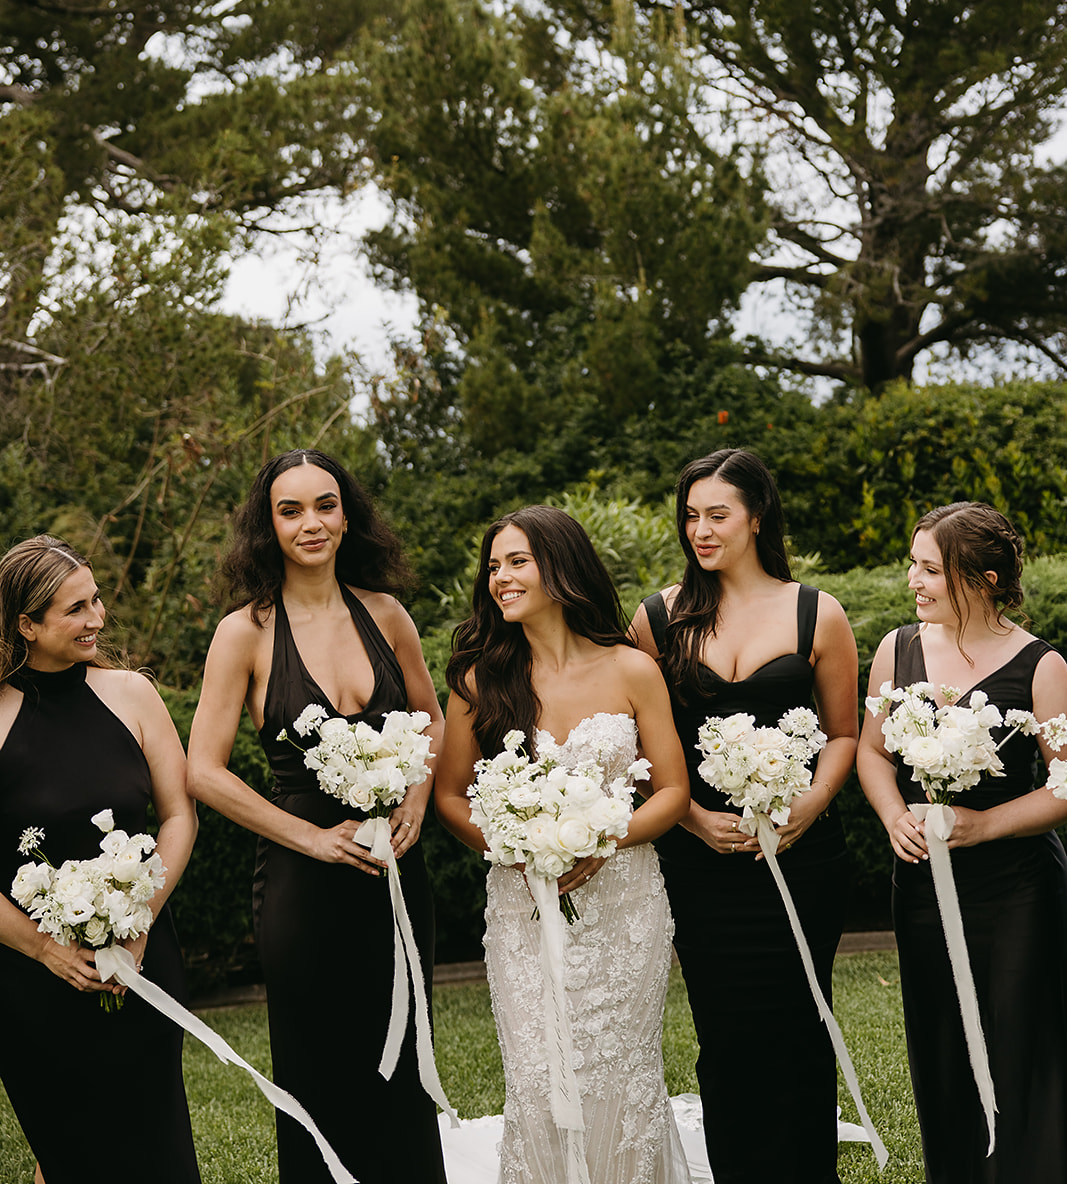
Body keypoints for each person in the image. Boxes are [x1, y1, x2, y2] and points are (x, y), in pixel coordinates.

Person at [186, 448, 446, 1184]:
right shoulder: (245, 631)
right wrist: (310, 838)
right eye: (290, 509)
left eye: (325, 505)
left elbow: (430, 717)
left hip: (397, 873)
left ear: (347, 514)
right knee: (318, 1067)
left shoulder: (387, 614)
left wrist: (417, 802)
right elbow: (201, 771)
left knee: (404, 1066)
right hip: (303, 882)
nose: (311, 523)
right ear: (267, 526)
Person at [435, 505, 693, 1184]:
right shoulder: (477, 678)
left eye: (517, 561)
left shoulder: (632, 669)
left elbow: (670, 793)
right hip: (521, 904)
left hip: (625, 905)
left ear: (561, 567)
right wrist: (514, 847)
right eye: (493, 565)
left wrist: (604, 840)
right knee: (537, 1070)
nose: (500, 577)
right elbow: (448, 796)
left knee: (619, 1067)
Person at [631, 448, 858, 1184]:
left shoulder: (814, 612)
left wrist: (811, 804)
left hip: (805, 860)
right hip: (703, 868)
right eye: (690, 515)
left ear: (756, 518)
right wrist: (692, 818)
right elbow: (641, 747)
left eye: (716, 514)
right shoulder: (658, 618)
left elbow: (845, 732)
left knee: (800, 1029)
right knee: (724, 1038)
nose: (700, 529)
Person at [857, 501, 1067, 1184]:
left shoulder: (1040, 666)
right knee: (941, 1046)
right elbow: (870, 752)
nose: (911, 581)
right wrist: (893, 815)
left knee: (1018, 1047)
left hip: (1016, 891)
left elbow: (1065, 785)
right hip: (920, 885)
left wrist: (986, 824)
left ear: (980, 577)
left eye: (929, 569)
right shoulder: (897, 649)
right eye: (912, 565)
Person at [0, 534, 201, 1184]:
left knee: (158, 1151)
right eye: (76, 608)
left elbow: (178, 815)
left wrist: (141, 920)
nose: (98, 618)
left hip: (143, 961)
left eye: (97, 599)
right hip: (31, 985)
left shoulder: (132, 695)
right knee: (70, 1156)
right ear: (26, 624)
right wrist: (47, 951)